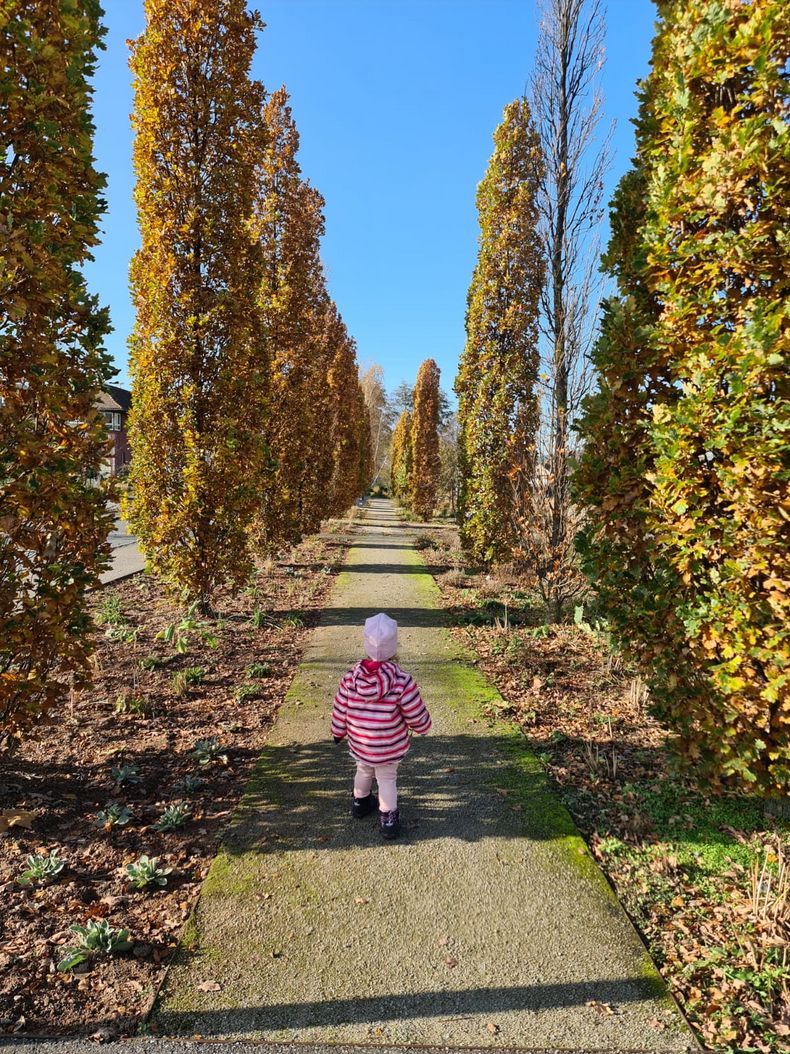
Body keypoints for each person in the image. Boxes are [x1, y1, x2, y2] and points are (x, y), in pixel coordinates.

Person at [331, 612, 431, 839]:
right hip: (388, 745)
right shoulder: (401, 680)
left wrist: (338, 732)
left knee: (364, 768)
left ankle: (360, 802)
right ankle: (388, 820)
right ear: (394, 647)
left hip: (361, 742)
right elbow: (414, 711)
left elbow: (340, 709)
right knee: (386, 778)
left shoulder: (350, 679)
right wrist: (422, 726)